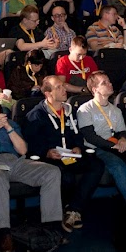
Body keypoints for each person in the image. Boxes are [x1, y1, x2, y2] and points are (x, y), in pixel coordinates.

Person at [0, 90, 66, 252]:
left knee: (52, 171)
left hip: (14, 162)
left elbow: (23, 149)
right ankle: (5, 233)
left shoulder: (11, 123)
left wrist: (8, 127)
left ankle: (50, 228)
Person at [24, 75, 107, 232]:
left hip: (70, 155)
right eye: (59, 87)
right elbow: (30, 143)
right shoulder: (37, 115)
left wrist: (77, 147)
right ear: (48, 94)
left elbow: (77, 135)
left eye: (63, 86)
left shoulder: (70, 111)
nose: (64, 90)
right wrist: (46, 152)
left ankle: (73, 210)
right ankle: (68, 209)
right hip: (50, 158)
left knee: (97, 165)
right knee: (64, 175)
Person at [77, 70, 126, 201]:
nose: (110, 84)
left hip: (116, 144)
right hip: (98, 149)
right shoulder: (85, 109)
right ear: (95, 89)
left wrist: (123, 139)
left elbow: (122, 131)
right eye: (104, 83)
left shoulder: (115, 110)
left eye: (109, 81)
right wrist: (113, 145)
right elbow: (90, 137)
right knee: (118, 166)